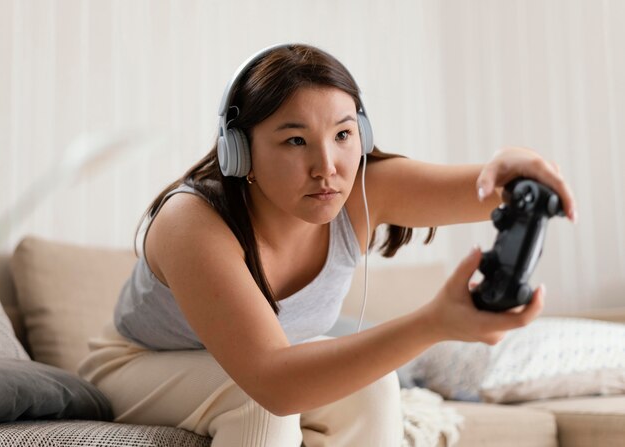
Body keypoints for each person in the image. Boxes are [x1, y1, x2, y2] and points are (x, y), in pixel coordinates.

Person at [79, 43, 576, 447]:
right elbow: (274, 382)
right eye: (295, 141)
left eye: (342, 134)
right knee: (261, 406)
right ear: (240, 152)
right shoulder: (192, 221)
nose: (328, 166)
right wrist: (433, 323)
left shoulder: (359, 188)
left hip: (255, 375)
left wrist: (518, 161)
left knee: (375, 386)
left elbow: (495, 185)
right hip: (136, 365)